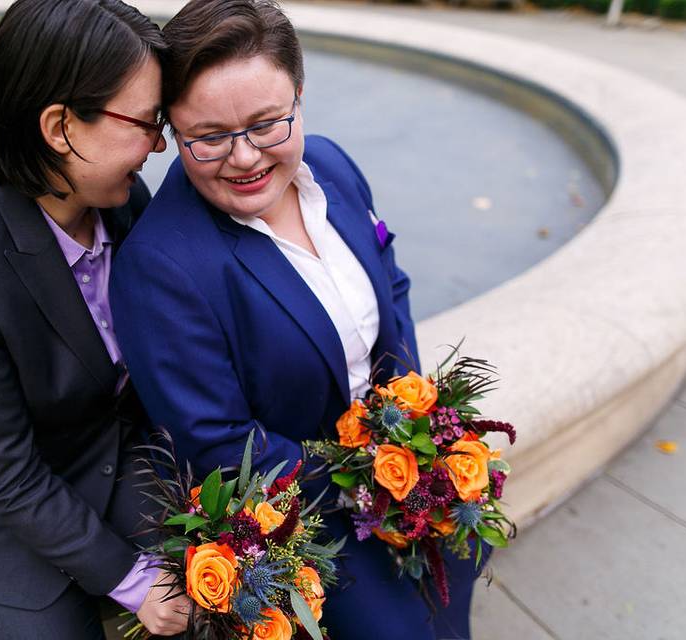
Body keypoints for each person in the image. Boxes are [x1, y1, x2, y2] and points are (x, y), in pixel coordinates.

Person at [110, 1, 486, 637]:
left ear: (299, 98)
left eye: (266, 124)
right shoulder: (160, 267)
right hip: (306, 527)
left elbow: (392, 288)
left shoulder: (333, 165)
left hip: (407, 478)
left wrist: (421, 440)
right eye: (209, 137)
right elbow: (220, 444)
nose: (245, 157)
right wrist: (370, 481)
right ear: (172, 131)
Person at [0, 1, 191, 637]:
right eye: (145, 122)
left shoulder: (119, 198)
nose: (159, 143)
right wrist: (136, 580)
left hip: (111, 457)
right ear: (60, 127)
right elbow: (6, 474)